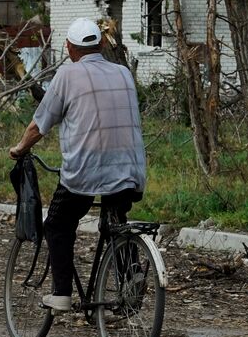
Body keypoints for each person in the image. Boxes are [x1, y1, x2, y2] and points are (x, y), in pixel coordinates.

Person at [9, 18, 146, 312]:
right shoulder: (123, 73)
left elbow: (39, 125)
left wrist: (20, 148)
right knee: (114, 220)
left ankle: (61, 293)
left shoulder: (67, 75)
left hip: (85, 171)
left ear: (70, 48)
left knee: (57, 225)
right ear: (101, 44)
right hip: (129, 169)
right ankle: (131, 272)